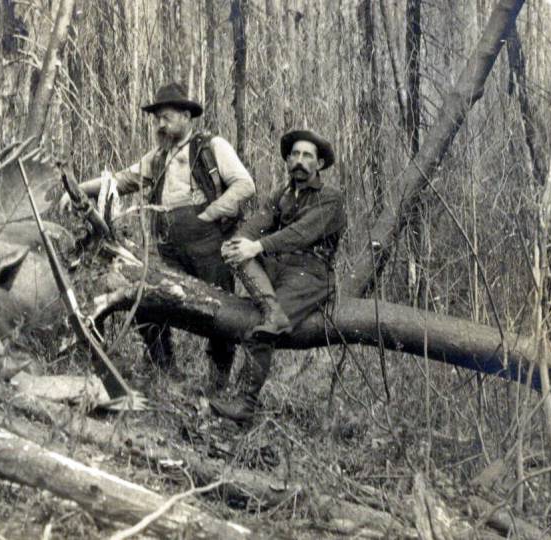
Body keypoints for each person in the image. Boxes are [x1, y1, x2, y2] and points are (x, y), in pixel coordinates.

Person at [59, 82, 255, 390]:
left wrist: (210, 213)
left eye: (166, 117)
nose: (160, 124)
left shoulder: (212, 147)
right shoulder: (158, 157)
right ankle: (164, 369)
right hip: (170, 251)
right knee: (146, 298)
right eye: (157, 119)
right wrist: (77, 188)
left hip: (210, 247)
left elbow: (244, 185)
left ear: (187, 116)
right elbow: (124, 179)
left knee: (220, 312)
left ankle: (219, 384)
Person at [210, 129, 347, 422]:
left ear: (319, 165)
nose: (299, 160)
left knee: (262, 332)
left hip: (310, 274)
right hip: (278, 267)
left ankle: (245, 404)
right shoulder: (282, 195)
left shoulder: (330, 198)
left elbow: (299, 234)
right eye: (295, 154)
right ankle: (272, 309)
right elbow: (258, 223)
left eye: (307, 156)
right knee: (237, 248)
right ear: (287, 160)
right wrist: (239, 242)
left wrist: (257, 246)